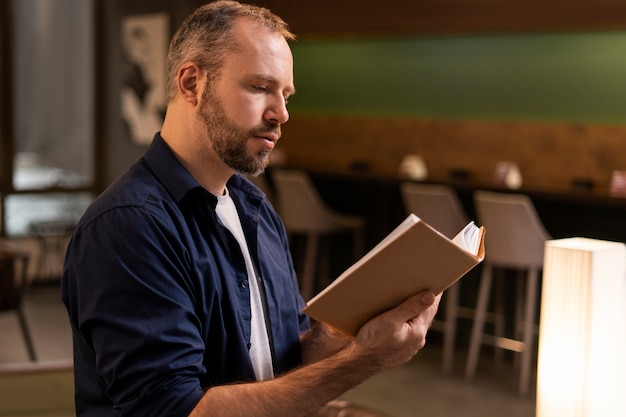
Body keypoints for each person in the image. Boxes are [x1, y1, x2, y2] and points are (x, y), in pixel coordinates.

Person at [61, 1, 441, 416]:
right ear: (192, 83)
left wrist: (339, 336)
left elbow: (283, 365)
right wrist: (361, 361)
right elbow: (178, 410)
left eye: (286, 94)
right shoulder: (129, 226)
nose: (282, 113)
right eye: (260, 88)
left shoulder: (254, 207)